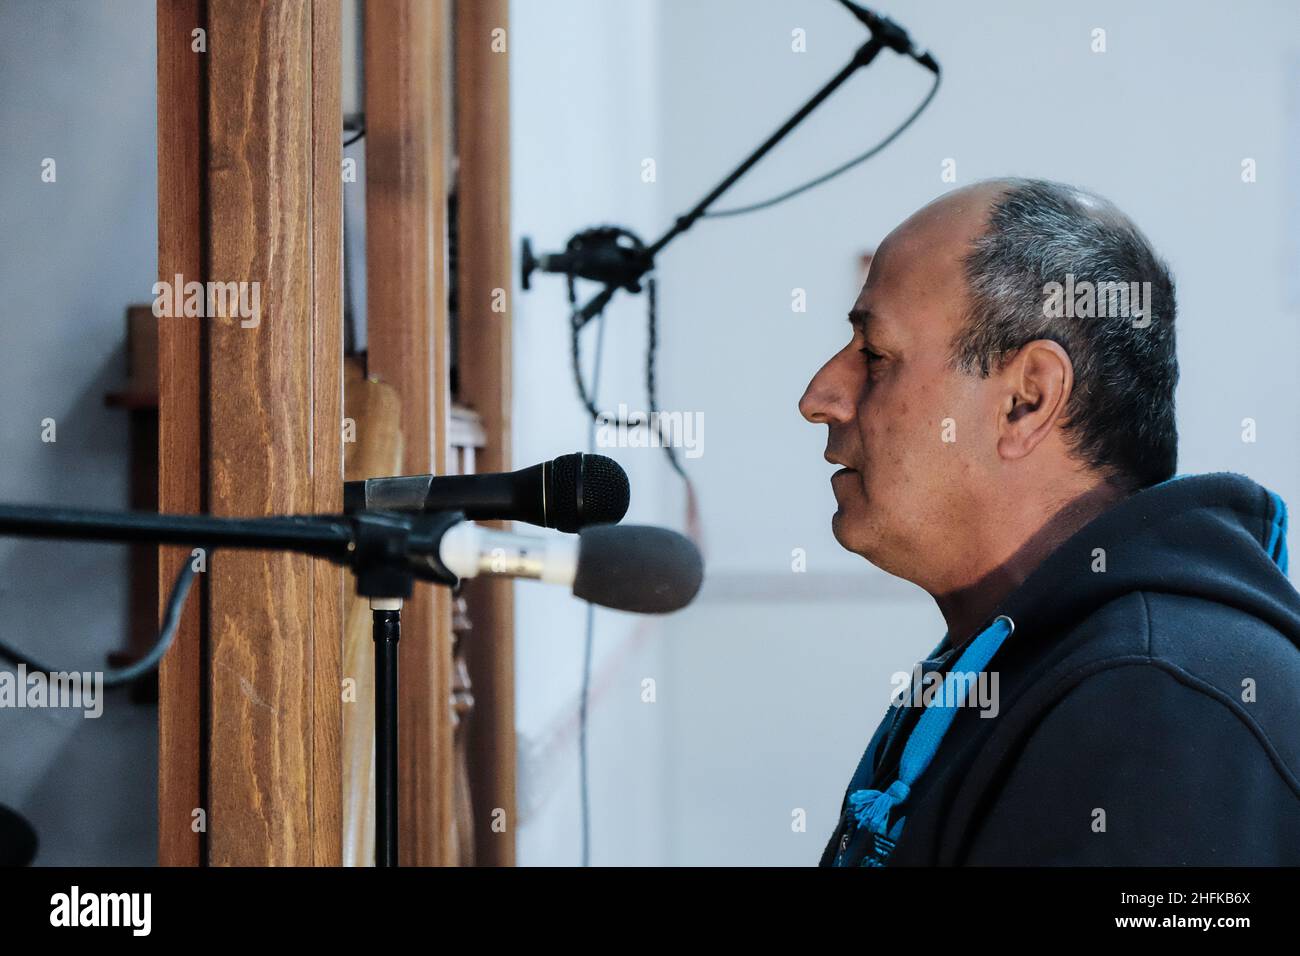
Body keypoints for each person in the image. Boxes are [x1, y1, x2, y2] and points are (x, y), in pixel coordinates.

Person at [799, 178, 1300, 865]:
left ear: (1027, 401)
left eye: (875, 356)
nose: (820, 396)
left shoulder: (1157, 704)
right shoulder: (1050, 666)